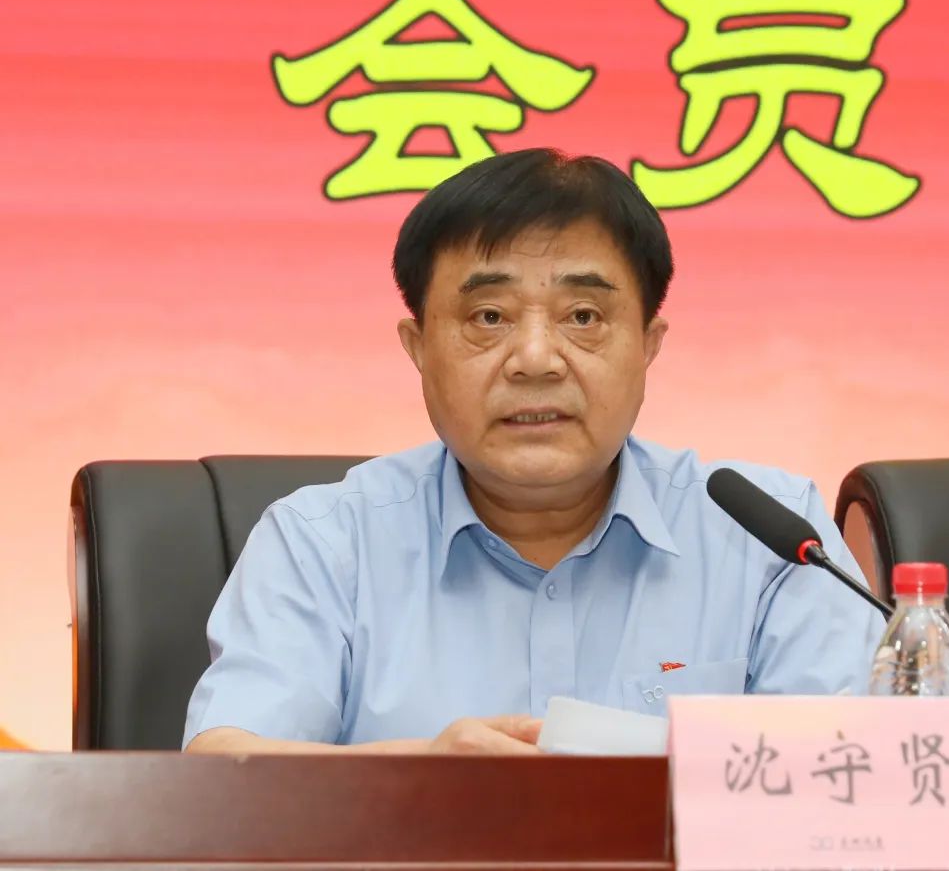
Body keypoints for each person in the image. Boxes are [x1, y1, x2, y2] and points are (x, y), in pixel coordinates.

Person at [183, 148, 883, 756]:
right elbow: (225, 771)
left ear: (648, 345)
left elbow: (852, 777)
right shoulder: (323, 543)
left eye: (584, 317)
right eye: (489, 317)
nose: (537, 359)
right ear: (418, 347)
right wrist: (420, 780)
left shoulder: (772, 540)